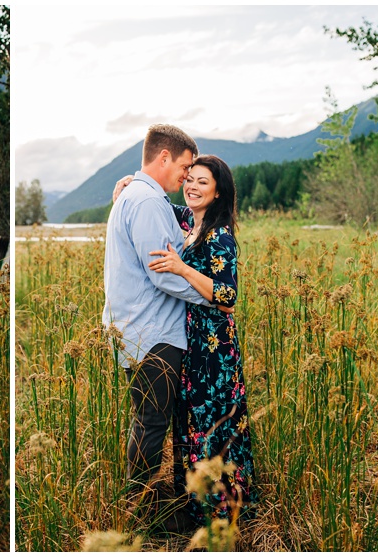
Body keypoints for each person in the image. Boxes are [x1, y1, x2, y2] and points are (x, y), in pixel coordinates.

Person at [113, 155, 255, 525]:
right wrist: (129, 182)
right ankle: (194, 508)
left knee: (214, 422)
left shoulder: (219, 234)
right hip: (188, 338)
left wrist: (181, 267)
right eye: (189, 178)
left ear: (219, 191)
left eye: (202, 182)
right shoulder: (187, 219)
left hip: (213, 346)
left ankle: (223, 511)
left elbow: (228, 295)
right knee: (189, 424)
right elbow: (154, 200)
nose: (191, 186)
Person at [102, 123, 214, 533]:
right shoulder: (148, 202)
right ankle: (139, 520)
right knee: (151, 424)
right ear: (163, 157)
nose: (186, 176)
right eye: (184, 166)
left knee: (145, 421)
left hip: (137, 331)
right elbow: (163, 273)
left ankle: (141, 508)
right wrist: (214, 297)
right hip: (153, 335)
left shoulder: (136, 195)